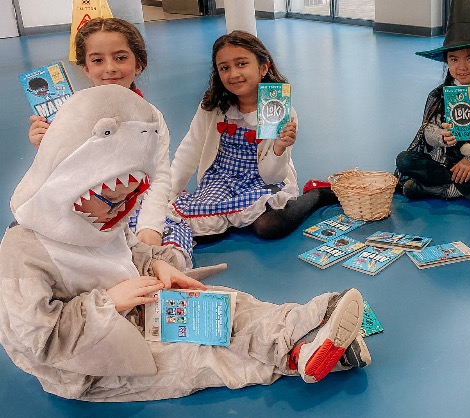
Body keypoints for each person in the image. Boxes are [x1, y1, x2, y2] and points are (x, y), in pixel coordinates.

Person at [0, 84, 369, 401]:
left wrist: (155, 263)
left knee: (226, 308)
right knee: (197, 360)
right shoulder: (23, 252)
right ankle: (311, 355)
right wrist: (109, 302)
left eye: (131, 200)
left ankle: (306, 330)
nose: (121, 211)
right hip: (89, 361)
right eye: (114, 201)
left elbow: (128, 248)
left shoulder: (101, 217)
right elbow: (38, 339)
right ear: (70, 185)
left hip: (140, 308)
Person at [165, 30, 337, 263]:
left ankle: (317, 195)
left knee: (269, 226)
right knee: (199, 230)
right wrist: (170, 192)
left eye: (242, 64)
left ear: (263, 68)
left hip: (261, 181)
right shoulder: (213, 105)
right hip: (221, 180)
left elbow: (271, 175)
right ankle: (233, 216)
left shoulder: (274, 107)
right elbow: (190, 149)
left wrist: (279, 148)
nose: (233, 74)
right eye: (224, 68)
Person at [26, 17, 172, 256]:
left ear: (139, 64)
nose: (110, 68)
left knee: (163, 253)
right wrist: (44, 147)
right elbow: (60, 179)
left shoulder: (151, 118)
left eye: (121, 57)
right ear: (86, 67)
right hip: (83, 212)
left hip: (135, 209)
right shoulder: (71, 114)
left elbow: (160, 175)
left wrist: (151, 227)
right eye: (97, 60)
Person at [395, 0, 470, 207]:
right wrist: (441, 137)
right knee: (404, 160)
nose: (461, 67)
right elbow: (427, 133)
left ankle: (434, 189)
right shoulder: (438, 95)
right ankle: (469, 191)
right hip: (442, 163)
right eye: (453, 59)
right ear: (447, 61)